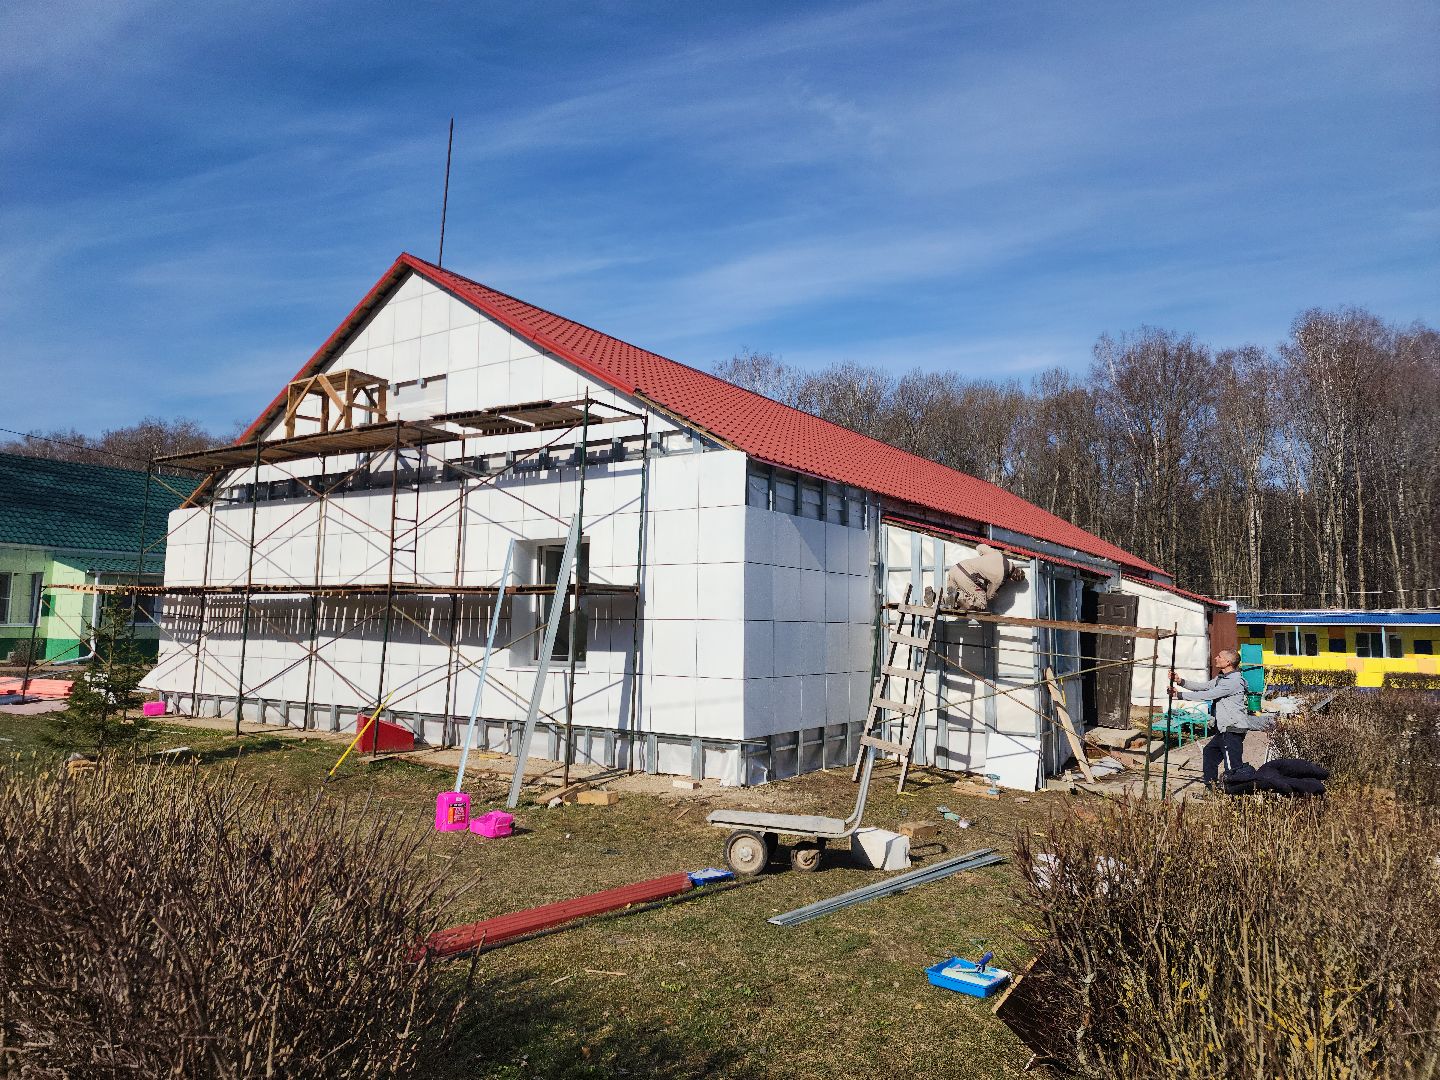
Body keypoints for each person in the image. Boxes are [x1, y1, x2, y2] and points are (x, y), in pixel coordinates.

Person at [1170, 650, 1254, 787]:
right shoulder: (1222, 678)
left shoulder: (1233, 681)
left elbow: (1209, 694)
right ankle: (1211, 789)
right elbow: (1203, 687)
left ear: (1228, 662)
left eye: (1219, 656)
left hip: (1232, 729)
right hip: (1223, 729)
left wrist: (1179, 695)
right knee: (1210, 753)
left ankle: (1234, 794)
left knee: (1232, 767)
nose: (1216, 658)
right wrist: (1180, 681)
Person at [923, 544, 1027, 611]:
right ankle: (960, 598)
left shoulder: (997, 554)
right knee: (982, 604)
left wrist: (984, 561)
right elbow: (988, 595)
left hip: (955, 569)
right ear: (1012, 579)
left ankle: (933, 597)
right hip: (966, 576)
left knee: (950, 603)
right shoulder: (1000, 578)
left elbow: (980, 547)